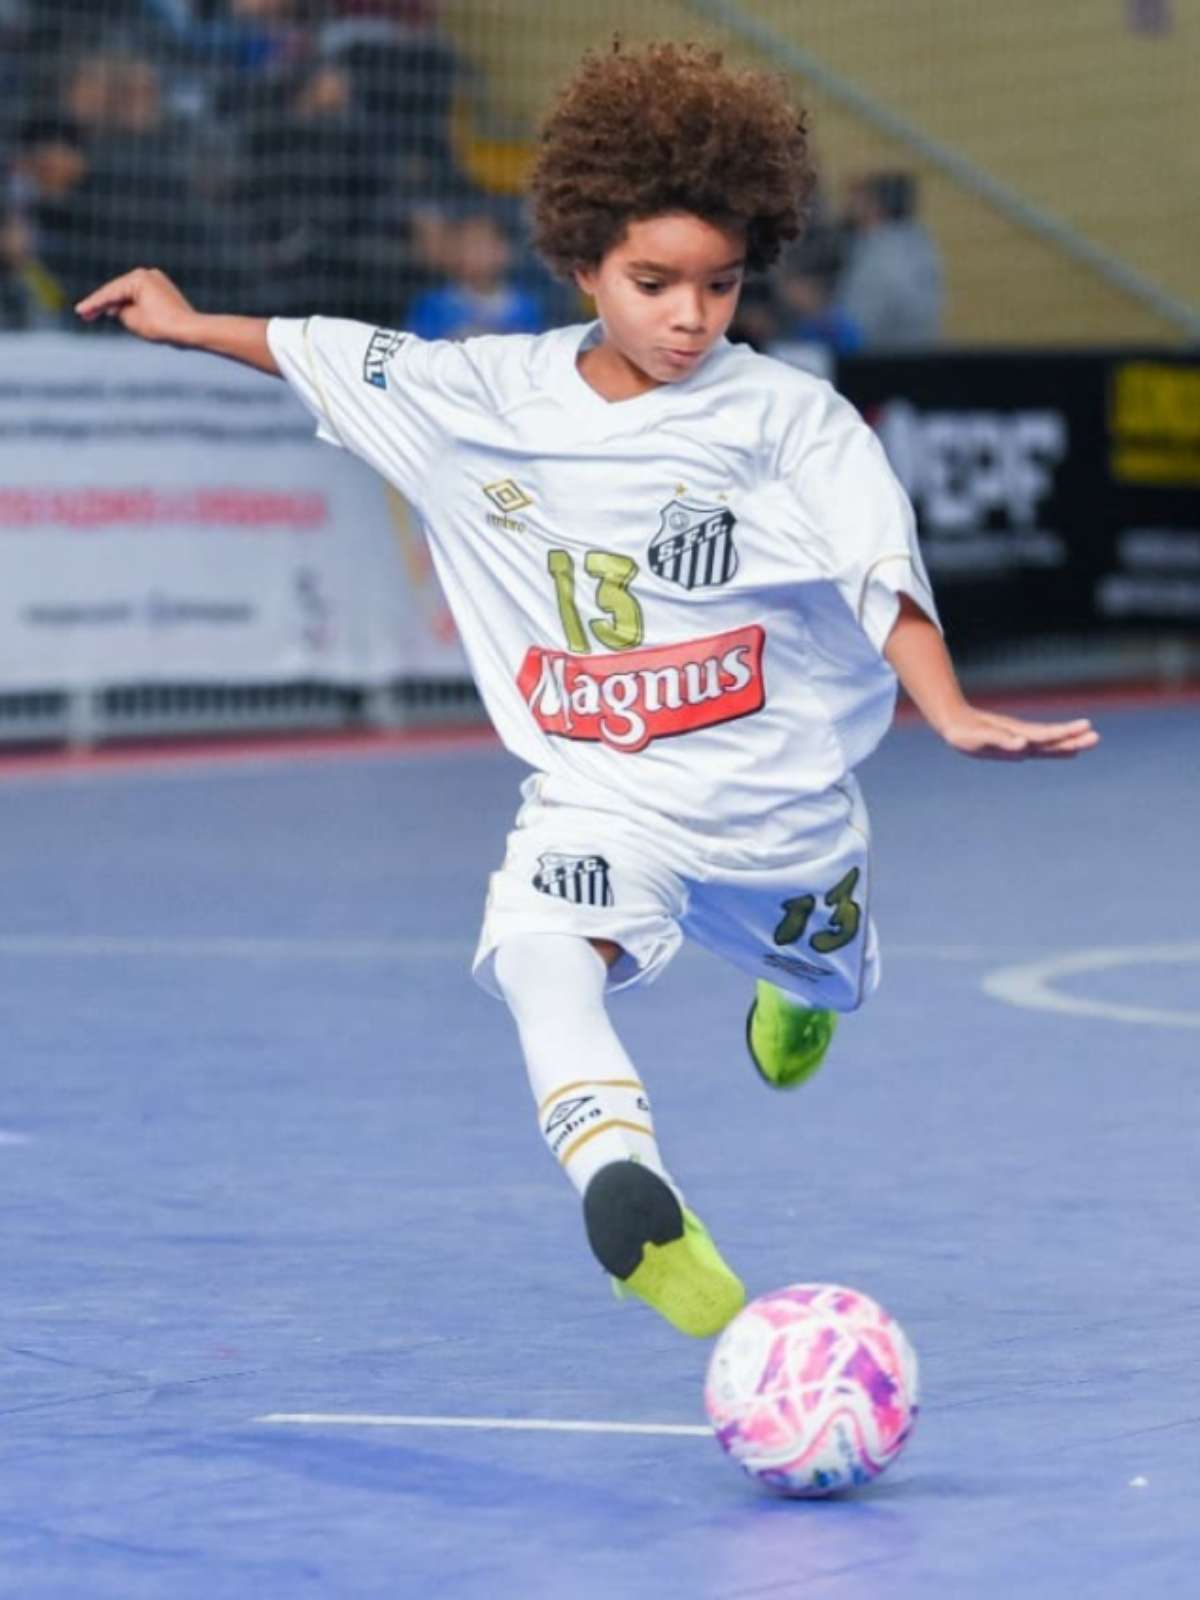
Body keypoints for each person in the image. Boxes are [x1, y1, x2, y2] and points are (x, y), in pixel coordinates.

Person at [76, 40, 1098, 1341]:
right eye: (655, 282)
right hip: (601, 794)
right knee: (535, 955)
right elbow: (326, 350)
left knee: (833, 978)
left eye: (721, 285)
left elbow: (879, 568)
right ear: (581, 265)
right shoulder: (481, 394)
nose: (692, 317)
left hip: (778, 811)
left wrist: (944, 707)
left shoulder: (790, 423)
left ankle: (801, 981)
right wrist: (186, 320)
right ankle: (631, 1192)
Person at [836, 171, 943, 351]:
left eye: (859, 199)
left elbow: (861, 322)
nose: (848, 205)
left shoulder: (883, 253)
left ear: (875, 206)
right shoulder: (916, 241)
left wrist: (817, 315)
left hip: (886, 358)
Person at [406, 209, 542, 341]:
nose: (474, 254)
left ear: (502, 250)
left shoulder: (524, 306)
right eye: (467, 244)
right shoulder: (433, 305)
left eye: (482, 244)